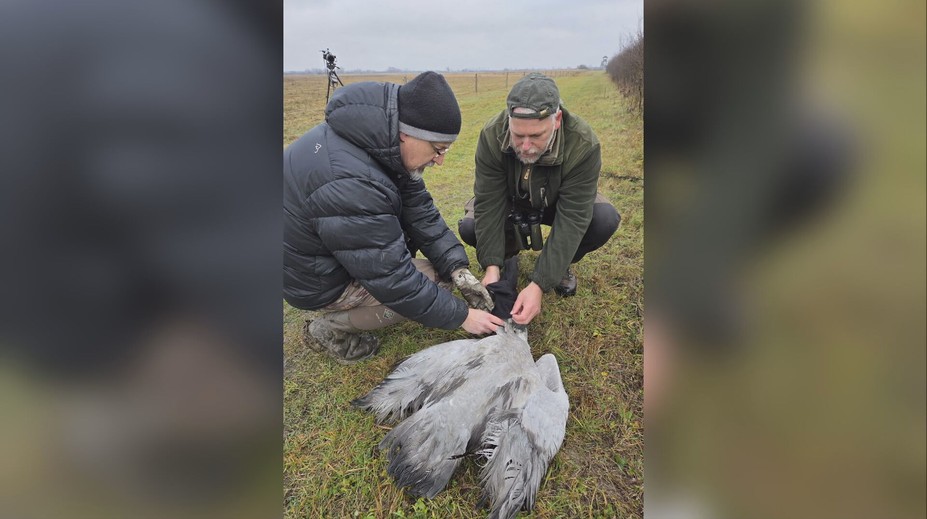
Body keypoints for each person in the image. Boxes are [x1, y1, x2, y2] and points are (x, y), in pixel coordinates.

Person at [284, 71, 504, 364]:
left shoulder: (375, 143)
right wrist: (462, 316)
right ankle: (331, 328)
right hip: (313, 280)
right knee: (432, 284)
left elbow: (422, 212)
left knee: (441, 274)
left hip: (322, 255)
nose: (441, 161)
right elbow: (393, 279)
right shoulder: (352, 183)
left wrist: (458, 270)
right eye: (438, 150)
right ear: (407, 133)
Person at [458, 72, 621, 326]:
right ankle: (506, 258)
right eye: (517, 135)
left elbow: (573, 218)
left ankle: (558, 264)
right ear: (509, 121)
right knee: (470, 227)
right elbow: (489, 202)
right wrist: (491, 265)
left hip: (556, 202)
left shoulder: (583, 143)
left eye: (535, 137)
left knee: (603, 219)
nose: (524, 146)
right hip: (511, 200)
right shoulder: (492, 134)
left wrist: (540, 283)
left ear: (556, 120)